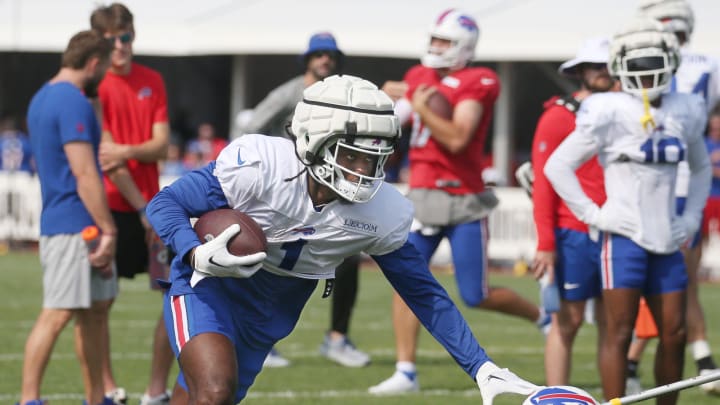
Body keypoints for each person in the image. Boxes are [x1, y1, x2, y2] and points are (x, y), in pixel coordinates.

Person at [145, 73, 539, 405]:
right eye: (352, 156)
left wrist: (480, 366)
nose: (364, 170)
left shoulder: (383, 211)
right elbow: (166, 203)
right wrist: (194, 252)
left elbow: (423, 293)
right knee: (214, 391)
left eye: (374, 158)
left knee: (204, 395)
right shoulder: (262, 165)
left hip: (274, 309)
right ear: (313, 140)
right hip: (212, 285)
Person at [369, 9, 547, 394]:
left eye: (444, 42)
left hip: (463, 199)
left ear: (464, 47)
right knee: (405, 280)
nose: (435, 48)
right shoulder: (419, 77)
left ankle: (541, 316)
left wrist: (418, 108)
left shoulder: (478, 80)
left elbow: (456, 139)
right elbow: (390, 125)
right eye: (434, 40)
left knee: (476, 294)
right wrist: (380, 100)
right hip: (422, 194)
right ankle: (406, 371)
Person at [544, 17, 711, 404]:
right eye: (637, 65)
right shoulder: (607, 108)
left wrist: (690, 218)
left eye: (654, 63)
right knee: (618, 332)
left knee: (675, 333)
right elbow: (557, 165)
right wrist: (594, 214)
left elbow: (701, 168)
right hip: (622, 238)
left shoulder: (686, 108)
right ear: (620, 65)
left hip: (667, 236)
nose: (647, 73)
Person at [240, 32, 370, 368]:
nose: (325, 60)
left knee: (349, 256)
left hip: (331, 188)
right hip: (287, 190)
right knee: (269, 260)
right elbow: (250, 128)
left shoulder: (342, 94)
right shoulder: (288, 93)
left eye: (330, 54)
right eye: (319, 54)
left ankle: (337, 338)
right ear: (307, 59)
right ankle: (259, 338)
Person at [625, 0, 720, 395]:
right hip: (686, 183)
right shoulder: (710, 66)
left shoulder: (639, 56)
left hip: (648, 180)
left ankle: (636, 363)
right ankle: (700, 360)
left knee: (652, 283)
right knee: (675, 282)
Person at [19, 30, 116, 405]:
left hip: (69, 222)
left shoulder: (42, 96)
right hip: (74, 224)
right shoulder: (71, 101)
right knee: (57, 314)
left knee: (92, 315)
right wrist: (108, 227)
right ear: (93, 63)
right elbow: (84, 172)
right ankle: (29, 400)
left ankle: (97, 398)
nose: (106, 73)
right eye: (105, 66)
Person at [90, 3, 172, 405]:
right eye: (111, 40)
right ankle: (107, 390)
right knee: (98, 303)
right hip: (111, 210)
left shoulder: (152, 79)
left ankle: (155, 391)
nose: (119, 47)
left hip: (151, 207)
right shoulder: (95, 85)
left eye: (125, 37)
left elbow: (162, 145)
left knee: (175, 295)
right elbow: (107, 161)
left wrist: (126, 150)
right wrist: (144, 209)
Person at [530, 37, 612, 385]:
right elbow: (544, 182)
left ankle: (620, 388)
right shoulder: (560, 115)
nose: (603, 72)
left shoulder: (627, 111)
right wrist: (546, 242)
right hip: (573, 233)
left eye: (608, 65)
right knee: (568, 320)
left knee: (617, 322)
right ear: (580, 71)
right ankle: (556, 395)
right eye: (595, 66)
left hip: (617, 231)